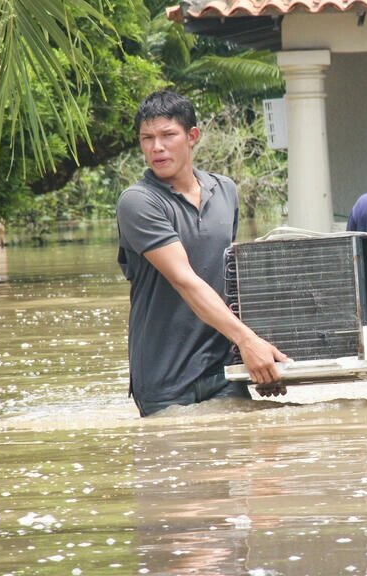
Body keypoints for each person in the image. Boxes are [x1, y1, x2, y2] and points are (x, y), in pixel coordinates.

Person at [116, 90, 289, 416]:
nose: (157, 147)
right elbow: (185, 281)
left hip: (223, 367)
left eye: (168, 135)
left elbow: (231, 277)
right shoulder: (138, 202)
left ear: (192, 136)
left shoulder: (225, 190)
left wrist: (257, 354)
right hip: (165, 375)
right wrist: (248, 341)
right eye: (147, 138)